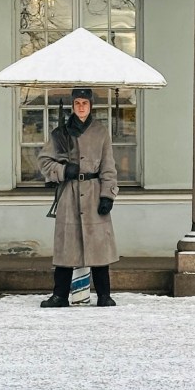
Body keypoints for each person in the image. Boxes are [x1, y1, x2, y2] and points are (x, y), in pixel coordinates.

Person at [38, 87, 118, 308]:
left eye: (85, 103)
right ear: (72, 106)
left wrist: (108, 195)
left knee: (99, 246)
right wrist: (64, 170)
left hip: (93, 193)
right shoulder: (60, 134)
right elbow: (44, 161)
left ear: (91, 106)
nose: (81, 107)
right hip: (69, 193)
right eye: (77, 103)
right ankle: (60, 296)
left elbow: (108, 166)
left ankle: (104, 295)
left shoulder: (101, 132)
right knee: (67, 246)